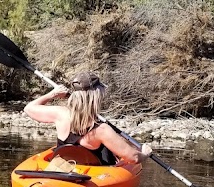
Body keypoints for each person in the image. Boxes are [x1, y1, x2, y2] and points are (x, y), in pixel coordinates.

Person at [23, 70, 152, 168]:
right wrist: (145, 153)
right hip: (91, 177)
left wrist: (52, 94)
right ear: (96, 96)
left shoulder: (60, 114)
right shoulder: (102, 130)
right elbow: (133, 158)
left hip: (66, 168)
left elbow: (29, 109)